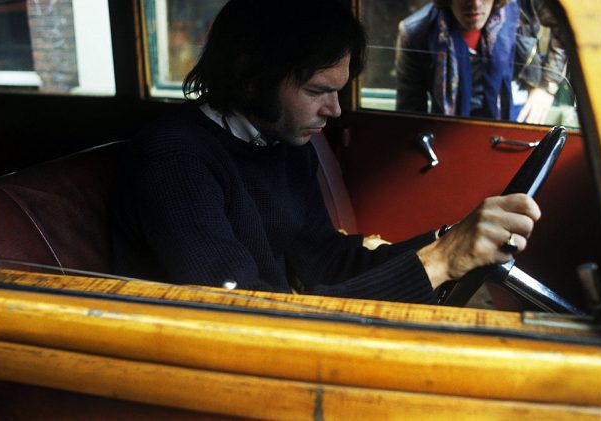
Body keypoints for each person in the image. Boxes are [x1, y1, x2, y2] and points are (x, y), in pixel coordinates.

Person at [111, 0, 540, 304]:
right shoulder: (174, 158)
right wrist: (440, 261)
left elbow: (328, 261)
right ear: (249, 77)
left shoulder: (283, 140)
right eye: (317, 91)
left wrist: (448, 241)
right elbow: (245, 317)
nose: (334, 110)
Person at [396, 0, 567, 123]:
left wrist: (547, 85)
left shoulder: (524, 6)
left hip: (517, 116)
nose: (475, 4)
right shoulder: (416, 32)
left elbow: (566, 25)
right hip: (448, 129)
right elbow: (410, 116)